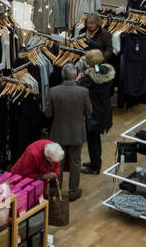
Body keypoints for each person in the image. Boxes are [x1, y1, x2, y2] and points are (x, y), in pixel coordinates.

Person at [43, 63, 92, 201]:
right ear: (75, 76)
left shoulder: (53, 91)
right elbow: (89, 112)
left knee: (57, 162)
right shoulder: (83, 91)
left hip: (58, 133)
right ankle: (73, 191)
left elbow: (47, 113)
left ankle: (55, 189)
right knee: (75, 162)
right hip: (77, 133)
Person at [78, 49, 115, 174]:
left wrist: (78, 80)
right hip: (104, 109)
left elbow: (80, 90)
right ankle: (95, 162)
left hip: (94, 112)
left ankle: (95, 166)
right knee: (95, 139)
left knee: (93, 139)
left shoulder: (89, 78)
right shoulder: (106, 72)